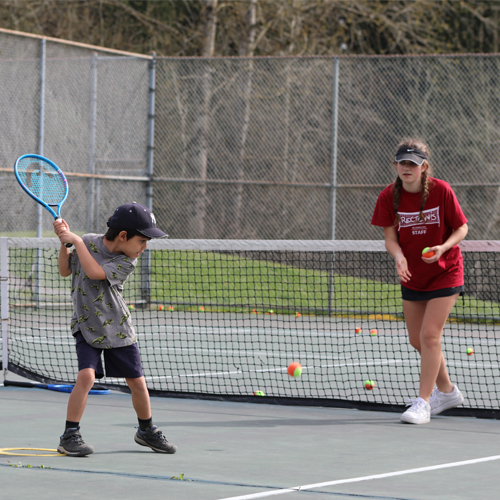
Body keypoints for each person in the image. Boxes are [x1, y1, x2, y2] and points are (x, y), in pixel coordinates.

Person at [53, 202, 177, 455]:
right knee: (86, 377)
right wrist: (64, 242)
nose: (144, 247)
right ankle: (70, 435)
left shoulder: (126, 262)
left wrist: (75, 241)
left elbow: (95, 271)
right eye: (142, 241)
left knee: (137, 382)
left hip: (118, 327)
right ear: (123, 236)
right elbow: (66, 271)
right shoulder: (86, 241)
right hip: (86, 325)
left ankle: (146, 430)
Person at [371, 139, 468, 424]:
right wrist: (399, 257)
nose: (406, 168)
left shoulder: (442, 190)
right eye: (402, 163)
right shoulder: (388, 197)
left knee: (429, 336)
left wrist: (443, 248)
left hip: (445, 271)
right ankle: (447, 391)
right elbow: (390, 238)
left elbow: (462, 227)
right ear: (396, 166)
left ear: (424, 167)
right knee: (417, 340)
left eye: (412, 163)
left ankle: (423, 403)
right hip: (412, 275)